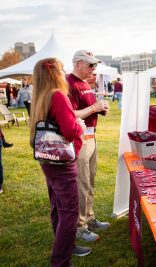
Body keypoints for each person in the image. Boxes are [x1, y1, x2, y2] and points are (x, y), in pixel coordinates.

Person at [30, 57, 91, 266]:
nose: (65, 74)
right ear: (54, 73)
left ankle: (66, 245)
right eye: (62, 69)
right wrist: (79, 126)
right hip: (62, 161)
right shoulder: (57, 95)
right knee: (69, 211)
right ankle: (61, 261)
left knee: (57, 206)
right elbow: (68, 130)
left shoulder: (41, 96)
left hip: (48, 159)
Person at [67, 50, 111, 243]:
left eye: (95, 65)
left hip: (91, 136)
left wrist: (100, 109)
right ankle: (79, 226)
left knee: (89, 179)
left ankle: (89, 217)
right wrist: (94, 108)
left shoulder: (85, 83)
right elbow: (70, 114)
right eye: (91, 65)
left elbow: (89, 108)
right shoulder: (69, 83)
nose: (94, 69)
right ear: (78, 64)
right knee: (82, 183)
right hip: (81, 139)